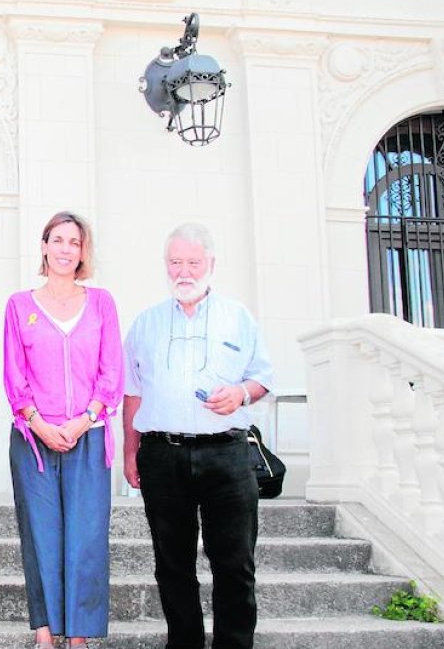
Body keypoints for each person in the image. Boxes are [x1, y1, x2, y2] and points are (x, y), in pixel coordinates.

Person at [122, 222, 273, 649]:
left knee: (235, 563)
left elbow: (262, 379)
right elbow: (132, 394)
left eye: (192, 262)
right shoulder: (145, 323)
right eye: (175, 262)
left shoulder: (238, 317)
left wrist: (241, 392)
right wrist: (130, 453)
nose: (183, 272)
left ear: (211, 264)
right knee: (172, 564)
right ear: (165, 266)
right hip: (162, 455)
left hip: (226, 454)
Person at [2, 212, 122, 649]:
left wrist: (83, 420)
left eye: (75, 241)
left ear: (82, 251)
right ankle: (46, 632)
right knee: (41, 535)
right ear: (45, 246)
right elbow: (15, 377)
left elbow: (112, 372)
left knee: (86, 537)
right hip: (34, 439)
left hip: (87, 437)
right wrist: (39, 423)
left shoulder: (102, 303)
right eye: (59, 240)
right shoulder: (19, 305)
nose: (67, 248)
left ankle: (79, 636)